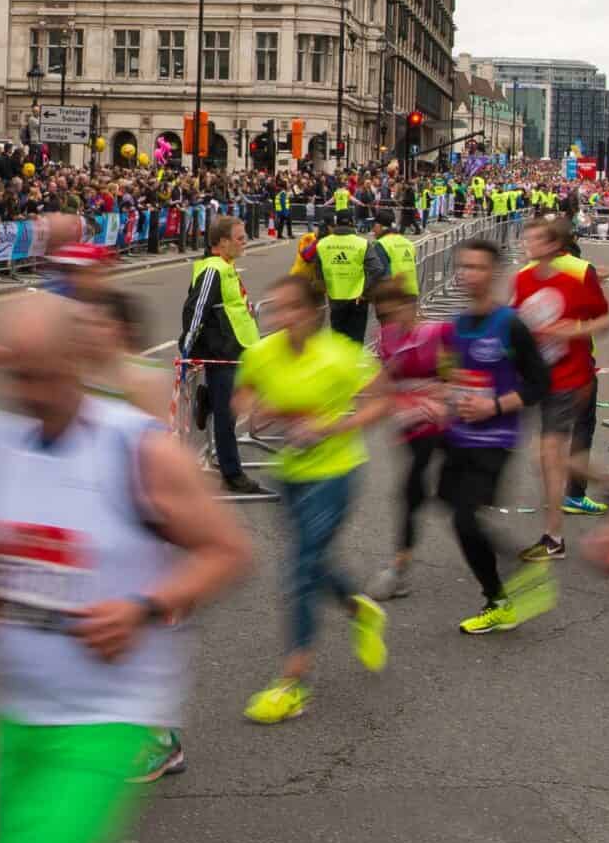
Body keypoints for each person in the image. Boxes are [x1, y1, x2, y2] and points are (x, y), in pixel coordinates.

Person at [0, 293, 251, 843]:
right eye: (16, 375)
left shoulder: (134, 448)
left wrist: (143, 605)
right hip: (18, 705)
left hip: (110, 705)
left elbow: (228, 550)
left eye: (42, 373)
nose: (29, 393)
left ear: (77, 361)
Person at [231, 268, 394, 723]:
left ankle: (294, 682)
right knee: (314, 561)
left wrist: (332, 426)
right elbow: (242, 397)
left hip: (337, 472)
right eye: (276, 308)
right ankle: (359, 609)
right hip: (292, 472)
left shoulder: (344, 355)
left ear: (314, 312)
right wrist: (260, 412)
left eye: (291, 309)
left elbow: (382, 401)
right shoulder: (262, 354)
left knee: (300, 569)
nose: (282, 318)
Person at [437, 239, 558, 635]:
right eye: (464, 267)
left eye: (477, 267)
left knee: (465, 520)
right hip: (458, 433)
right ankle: (516, 572)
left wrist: (495, 405)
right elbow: (455, 375)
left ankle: (500, 599)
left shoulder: (510, 324)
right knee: (446, 504)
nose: (468, 274)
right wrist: (444, 397)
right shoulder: (456, 324)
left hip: (495, 438)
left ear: (494, 273)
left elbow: (540, 383)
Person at [513, 214, 609, 559]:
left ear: (554, 245)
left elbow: (607, 316)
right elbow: (517, 325)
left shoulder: (578, 275)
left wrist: (576, 331)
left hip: (571, 376)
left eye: (536, 239)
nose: (528, 244)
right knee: (549, 457)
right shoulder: (523, 278)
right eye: (527, 237)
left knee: (547, 454)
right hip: (536, 377)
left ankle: (553, 537)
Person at [364, 276, 452, 603]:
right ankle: (401, 563)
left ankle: (400, 564)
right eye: (382, 315)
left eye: (392, 313)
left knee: (425, 492)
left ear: (410, 307)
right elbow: (382, 382)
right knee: (413, 492)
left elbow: (457, 376)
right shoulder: (384, 338)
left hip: (443, 422)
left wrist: (438, 391)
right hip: (410, 428)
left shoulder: (436, 334)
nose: (388, 321)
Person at [179, 216, 265, 495]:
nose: (245, 242)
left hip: (238, 349)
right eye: (240, 238)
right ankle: (232, 474)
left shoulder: (226, 267)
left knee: (236, 404)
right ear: (222, 242)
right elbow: (196, 309)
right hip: (222, 353)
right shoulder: (212, 270)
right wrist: (187, 348)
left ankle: (209, 400)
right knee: (229, 416)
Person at [312, 209, 372, 344]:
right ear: (352, 222)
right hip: (358, 298)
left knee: (338, 340)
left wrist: (324, 286)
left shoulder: (322, 244)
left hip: (335, 298)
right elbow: (377, 269)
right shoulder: (362, 243)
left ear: (336, 223)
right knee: (356, 341)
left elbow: (317, 268)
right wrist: (365, 290)